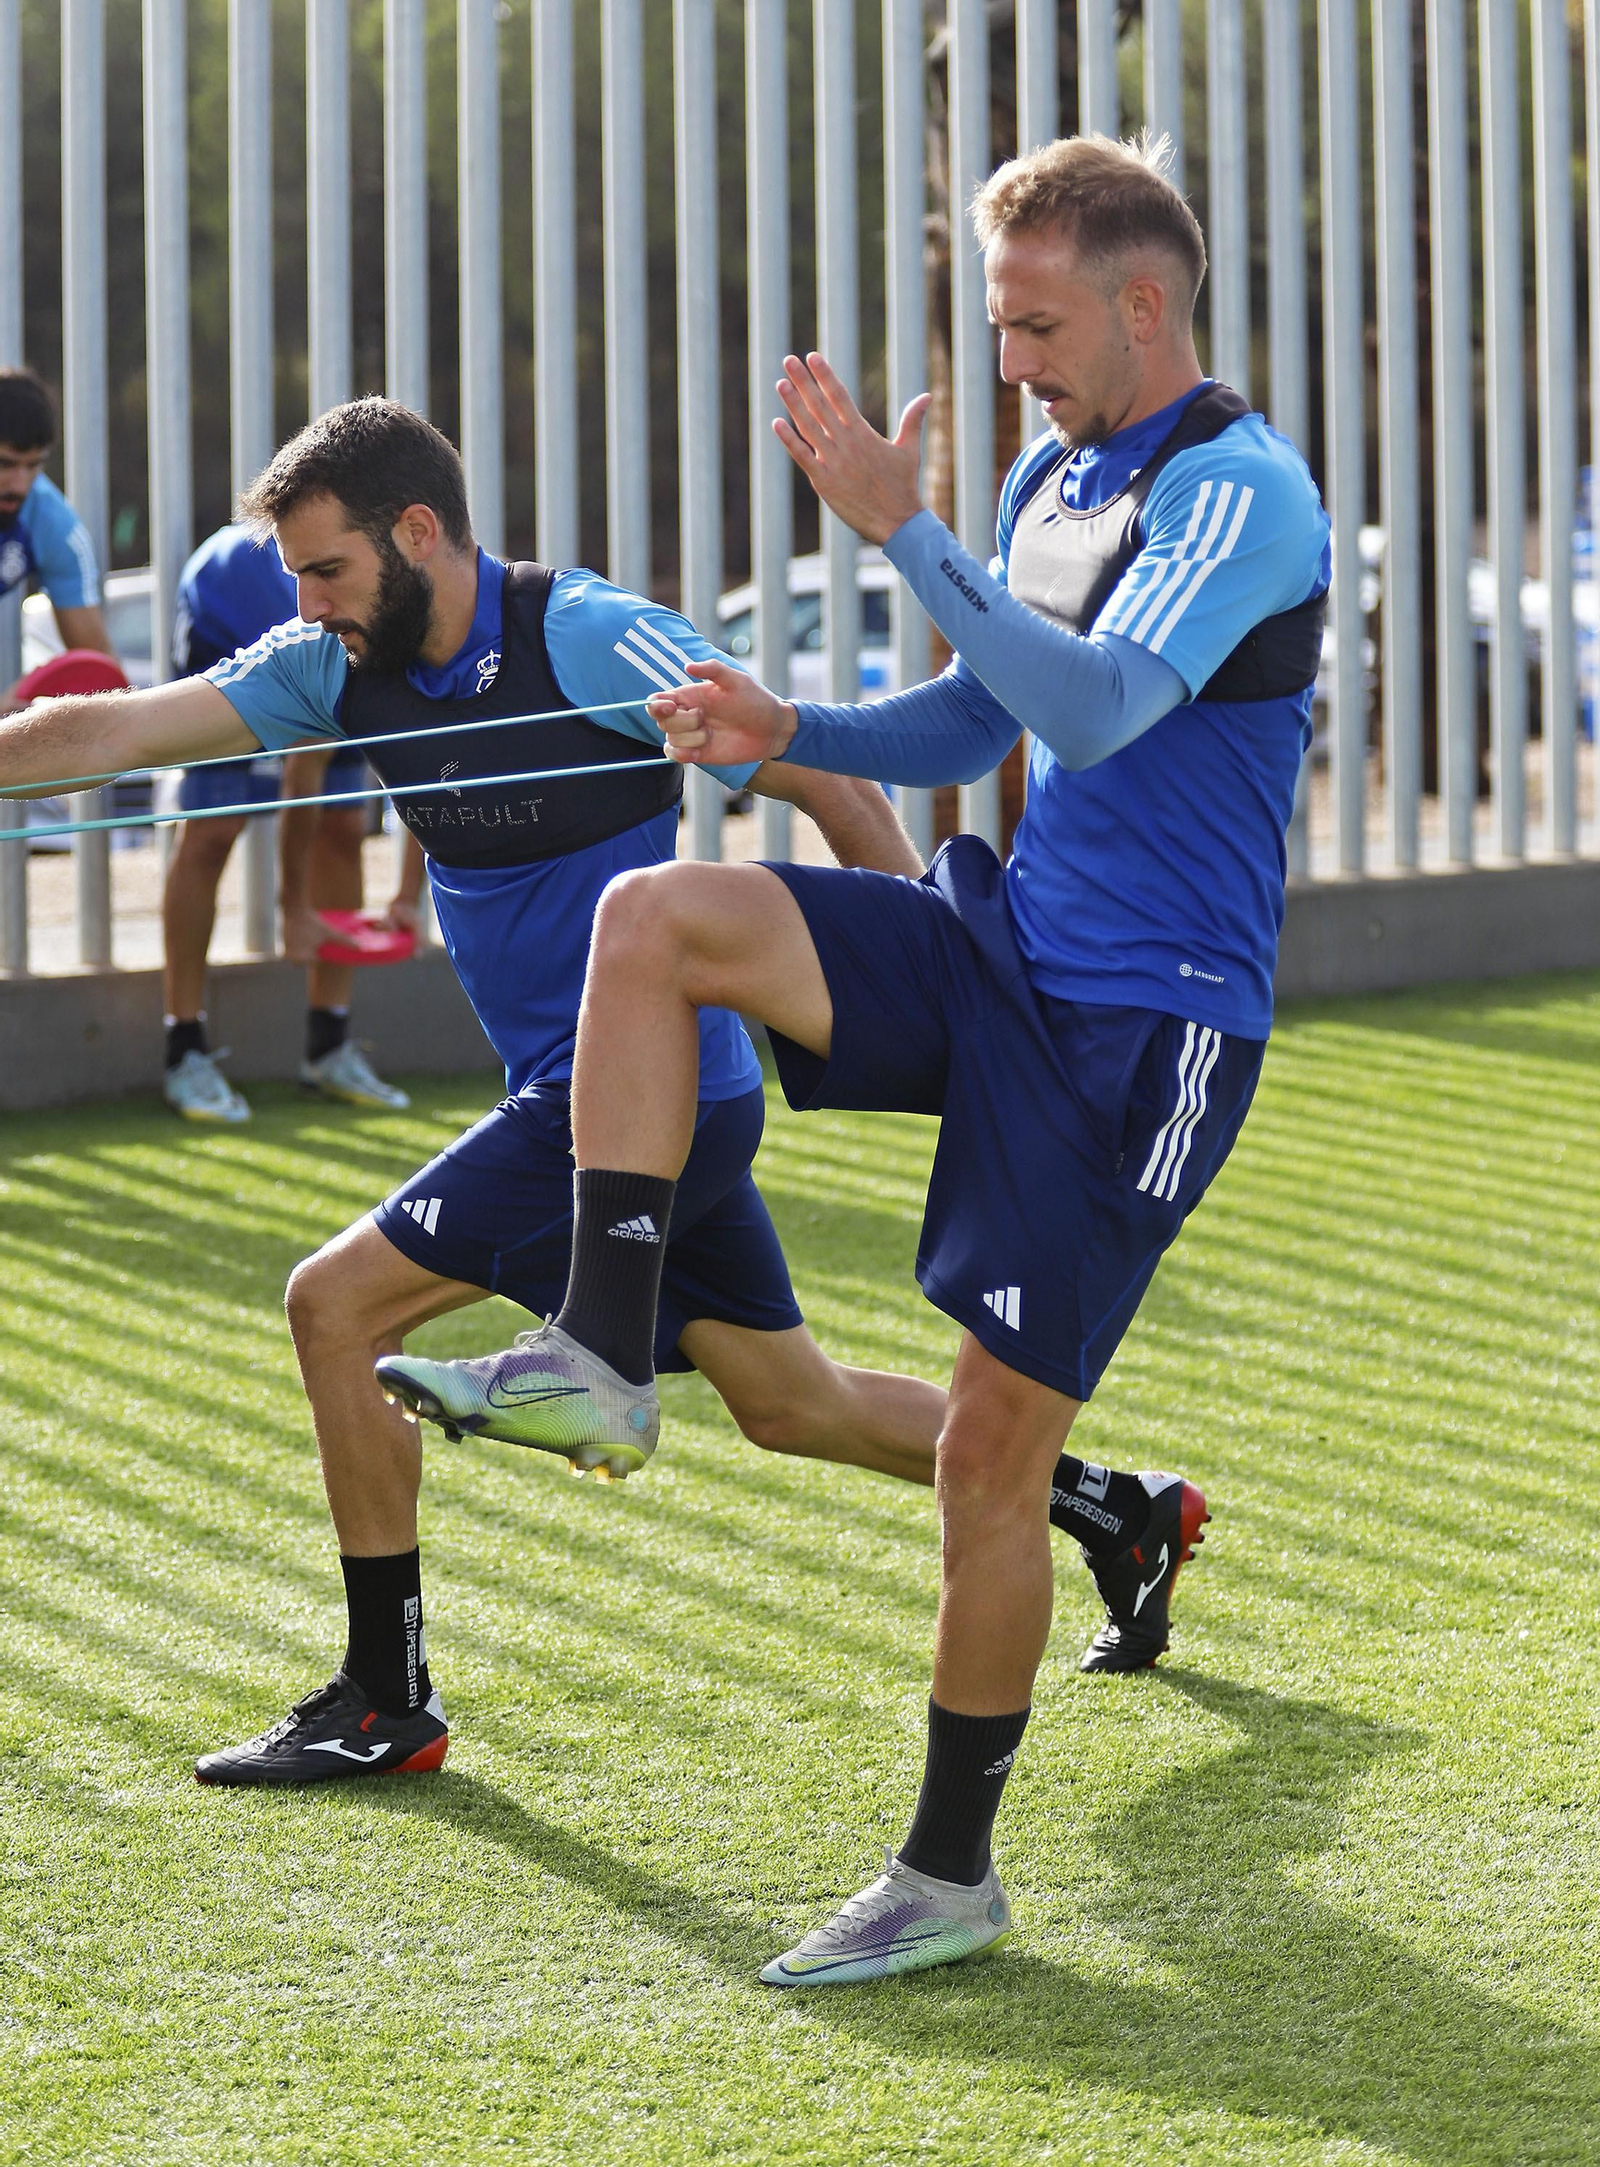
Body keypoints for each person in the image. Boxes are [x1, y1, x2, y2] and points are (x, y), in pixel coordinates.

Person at [395, 134, 1331, 1983]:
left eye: (1040, 322)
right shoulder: (1064, 471)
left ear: (1147, 301)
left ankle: (949, 1875)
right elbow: (982, 709)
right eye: (998, 325)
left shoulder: (1244, 492)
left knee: (990, 1461)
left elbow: (1095, 703)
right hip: (1013, 949)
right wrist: (785, 719)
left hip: (1149, 1037)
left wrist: (905, 529)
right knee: (658, 921)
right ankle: (603, 1350)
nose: (1013, 365)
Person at [0, 397, 1169, 1794]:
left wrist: (946, 1009)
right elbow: (112, 733)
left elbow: (827, 779)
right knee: (793, 1407)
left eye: (328, 570)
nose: (308, 603)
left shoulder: (595, 637)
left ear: (417, 532)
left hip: (628, 1106)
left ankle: (386, 1695)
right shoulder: (334, 663)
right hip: (643, 1117)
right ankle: (1117, 1509)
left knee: (335, 1303)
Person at [162, 523, 416, 1123]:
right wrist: (292, 912)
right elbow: (303, 773)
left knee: (345, 827)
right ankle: (183, 1050)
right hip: (228, 611)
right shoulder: (328, 634)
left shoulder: (434, 637)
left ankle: (327, 1047)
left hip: (345, 639)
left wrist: (409, 897)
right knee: (214, 830)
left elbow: (431, 769)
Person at [0, 367, 117, 693]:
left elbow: (101, 676)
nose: (20, 485)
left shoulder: (53, 524)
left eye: (34, 464)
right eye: (5, 464)